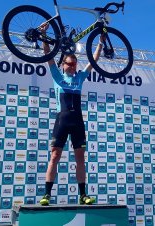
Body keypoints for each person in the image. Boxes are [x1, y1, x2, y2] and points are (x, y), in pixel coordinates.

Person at [38, 23, 104, 206]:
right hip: (62, 120)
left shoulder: (80, 77)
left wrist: (100, 42)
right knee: (54, 157)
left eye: (75, 63)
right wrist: (43, 35)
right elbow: (48, 56)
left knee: (80, 159)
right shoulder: (58, 77)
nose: (73, 66)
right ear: (64, 64)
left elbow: (94, 60)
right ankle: (46, 194)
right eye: (70, 63)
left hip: (77, 122)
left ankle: (83, 195)